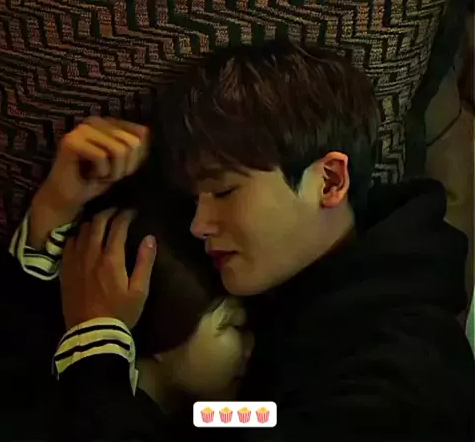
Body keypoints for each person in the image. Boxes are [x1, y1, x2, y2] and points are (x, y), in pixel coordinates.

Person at [155, 40, 475, 440]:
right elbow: (268, 416)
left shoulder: (391, 387)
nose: (198, 225)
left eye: (223, 191)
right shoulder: (308, 291)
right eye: (195, 201)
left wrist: (104, 355)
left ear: (329, 181)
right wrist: (197, 406)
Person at [1, 117, 252, 440]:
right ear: (166, 323)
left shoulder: (216, 415)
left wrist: (50, 215)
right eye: (234, 324)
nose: (252, 345)